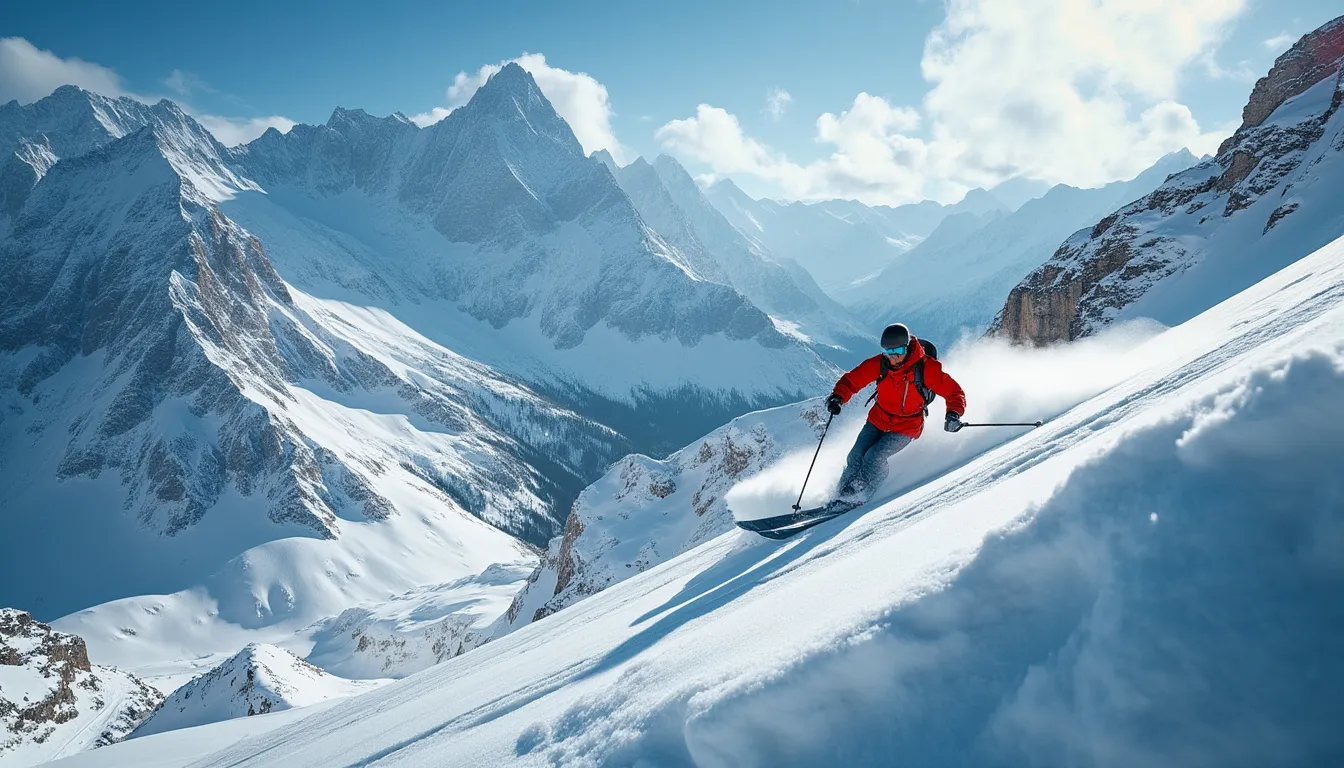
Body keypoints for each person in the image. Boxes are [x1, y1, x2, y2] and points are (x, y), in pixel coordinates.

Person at [823, 323, 967, 510]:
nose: (893, 356)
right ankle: (840, 496)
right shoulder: (880, 364)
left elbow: (954, 392)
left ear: (907, 347)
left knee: (874, 457)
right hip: (878, 418)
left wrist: (953, 414)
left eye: (898, 350)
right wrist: (838, 397)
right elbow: (853, 379)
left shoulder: (925, 369)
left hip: (906, 426)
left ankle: (862, 494)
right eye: (888, 351)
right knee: (855, 456)